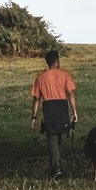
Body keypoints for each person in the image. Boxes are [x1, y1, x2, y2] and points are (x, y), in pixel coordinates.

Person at [31, 48, 78, 177]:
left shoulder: (41, 78)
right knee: (59, 135)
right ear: (57, 61)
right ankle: (57, 165)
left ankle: (56, 166)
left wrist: (34, 116)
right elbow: (70, 94)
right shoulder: (65, 75)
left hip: (49, 107)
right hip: (61, 106)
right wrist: (74, 111)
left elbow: (36, 99)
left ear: (48, 62)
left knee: (52, 136)